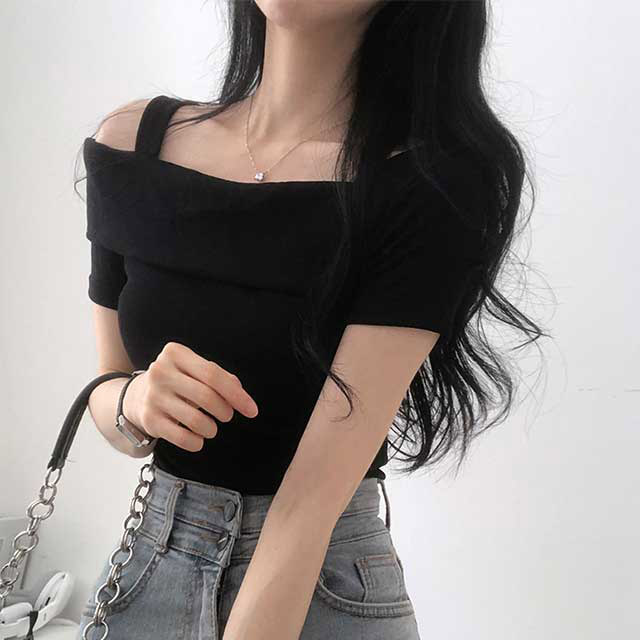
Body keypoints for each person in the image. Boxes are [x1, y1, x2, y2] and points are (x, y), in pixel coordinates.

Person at [76, 1, 545, 639]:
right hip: (152, 562)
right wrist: (134, 402)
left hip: (321, 577)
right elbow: (107, 384)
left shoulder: (432, 184)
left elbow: (311, 502)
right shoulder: (132, 144)